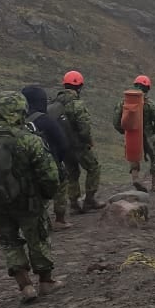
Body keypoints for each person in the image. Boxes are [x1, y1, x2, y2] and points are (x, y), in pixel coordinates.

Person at [0, 92, 62, 303]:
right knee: (38, 238)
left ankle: (25, 285)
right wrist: (46, 195)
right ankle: (46, 282)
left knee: (8, 242)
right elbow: (50, 174)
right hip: (28, 202)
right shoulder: (29, 141)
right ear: (21, 112)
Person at [52, 70, 105, 213]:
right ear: (79, 86)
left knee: (72, 173)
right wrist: (87, 141)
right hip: (78, 146)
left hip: (63, 147)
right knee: (94, 167)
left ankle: (74, 203)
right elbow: (84, 128)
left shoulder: (54, 104)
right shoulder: (77, 104)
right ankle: (89, 200)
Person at [21, 85, 71, 229]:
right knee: (62, 182)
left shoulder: (17, 120)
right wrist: (58, 161)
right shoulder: (46, 120)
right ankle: (60, 219)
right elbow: (62, 143)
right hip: (47, 165)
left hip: (22, 168)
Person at [115, 75, 155, 191]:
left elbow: (116, 120)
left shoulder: (124, 102)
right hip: (148, 135)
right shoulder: (149, 104)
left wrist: (124, 131)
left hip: (132, 133)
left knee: (134, 156)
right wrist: (153, 131)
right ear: (147, 88)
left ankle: (135, 179)